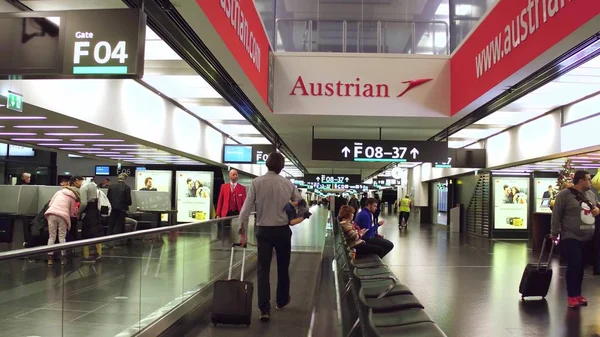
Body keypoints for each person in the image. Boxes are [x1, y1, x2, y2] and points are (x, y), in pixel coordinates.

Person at [238, 152, 302, 322]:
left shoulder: (256, 182)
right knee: (283, 267)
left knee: (262, 269)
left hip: (264, 232)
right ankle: (281, 301)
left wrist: (242, 231)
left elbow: (245, 209)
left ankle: (264, 308)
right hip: (282, 231)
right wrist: (298, 216)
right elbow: (302, 203)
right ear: (281, 167)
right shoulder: (288, 184)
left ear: (267, 164)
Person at [551, 170, 600, 308]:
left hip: (587, 237)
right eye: (589, 179)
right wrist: (554, 232)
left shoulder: (590, 194)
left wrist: (597, 210)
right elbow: (556, 214)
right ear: (580, 181)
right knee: (574, 265)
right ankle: (572, 296)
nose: (591, 182)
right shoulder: (564, 196)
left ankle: (578, 294)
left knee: (581, 267)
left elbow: (596, 208)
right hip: (571, 236)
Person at [45, 185, 80, 265]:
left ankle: (50, 258)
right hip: (63, 216)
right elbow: (71, 212)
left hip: (51, 214)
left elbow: (50, 204)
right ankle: (63, 258)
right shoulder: (73, 198)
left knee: (52, 236)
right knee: (62, 237)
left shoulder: (58, 192)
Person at [79, 178, 103, 262]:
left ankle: (87, 256)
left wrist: (78, 212)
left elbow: (84, 203)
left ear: (76, 181)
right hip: (95, 210)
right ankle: (97, 254)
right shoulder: (94, 185)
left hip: (88, 211)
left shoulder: (83, 187)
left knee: (87, 233)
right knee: (96, 233)